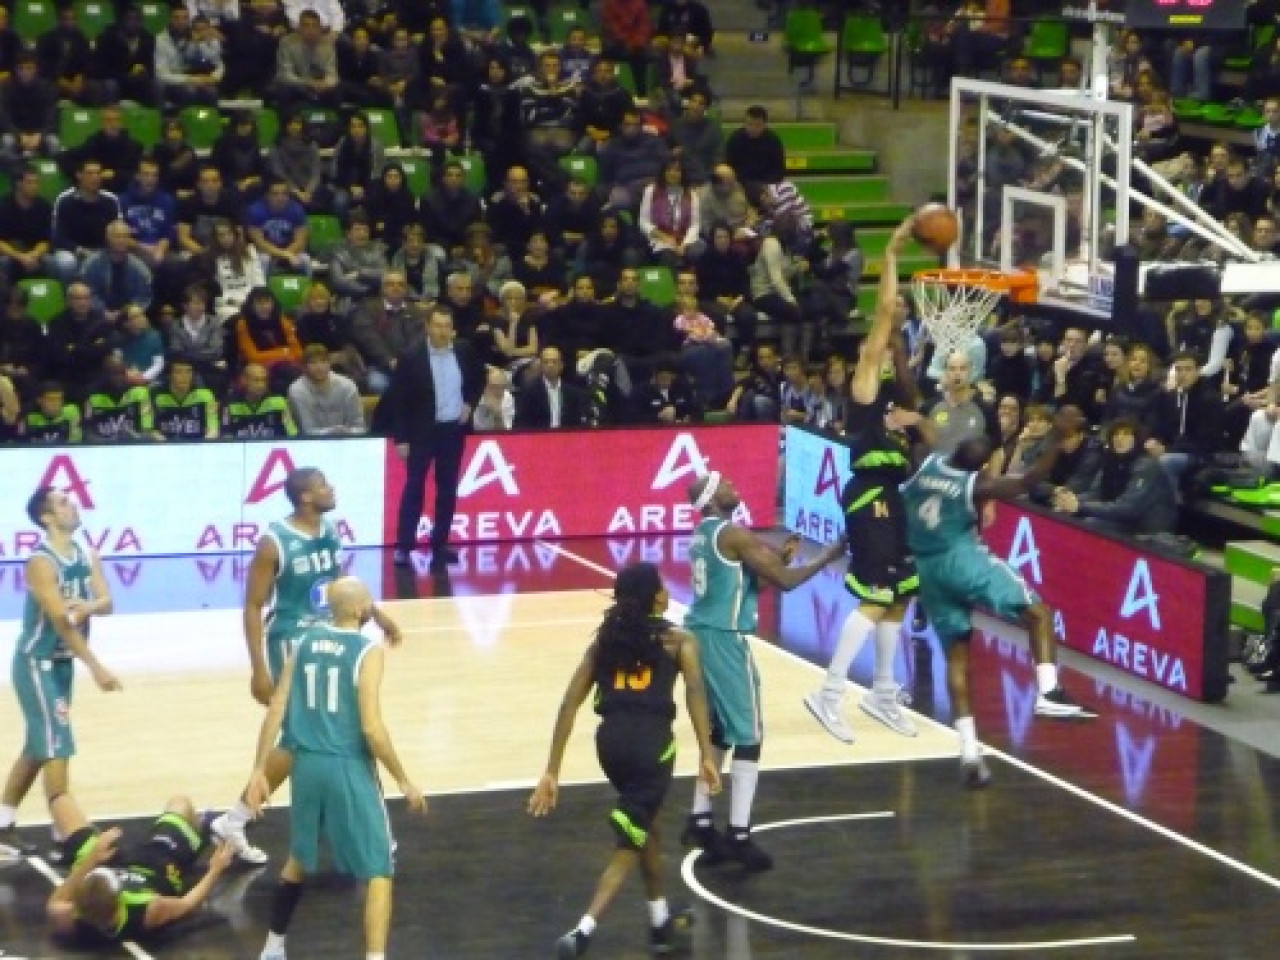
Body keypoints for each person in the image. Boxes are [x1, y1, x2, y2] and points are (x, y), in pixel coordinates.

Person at [211, 469, 404, 864]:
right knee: (324, 733)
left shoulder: (330, 530)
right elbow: (252, 606)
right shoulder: (273, 543)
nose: (331, 489)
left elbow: (337, 589)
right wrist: (258, 669)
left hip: (329, 641)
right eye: (322, 486)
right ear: (303, 498)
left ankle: (234, 821)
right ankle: (360, 825)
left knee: (309, 739)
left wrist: (376, 614)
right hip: (291, 644)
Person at [529, 562, 721, 959]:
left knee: (645, 826)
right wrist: (707, 753)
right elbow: (696, 695)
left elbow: (569, 702)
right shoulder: (679, 640)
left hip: (610, 746)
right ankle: (584, 929)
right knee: (629, 840)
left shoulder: (605, 642)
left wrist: (552, 769)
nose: (668, 590)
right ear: (655, 596)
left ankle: (659, 921)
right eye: (663, 586)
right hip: (652, 748)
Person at [900, 423, 1096, 789]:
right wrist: (1055, 440)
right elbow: (1028, 481)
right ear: (979, 467)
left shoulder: (926, 462)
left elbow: (921, 427)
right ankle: (1049, 692)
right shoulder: (975, 485)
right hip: (961, 558)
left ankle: (970, 751)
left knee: (957, 658)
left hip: (927, 569)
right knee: (1039, 613)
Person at [247, 576, 427, 960]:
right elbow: (372, 728)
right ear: (364, 610)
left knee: (299, 858)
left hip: (305, 766)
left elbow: (277, 707)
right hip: (346, 766)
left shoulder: (306, 641)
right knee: (379, 867)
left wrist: (259, 770)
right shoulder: (367, 650)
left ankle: (273, 947)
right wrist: (403, 778)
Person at [681, 472, 845, 870]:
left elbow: (749, 579)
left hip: (700, 634)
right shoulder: (732, 534)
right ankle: (739, 834)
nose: (731, 484)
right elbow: (785, 581)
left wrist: (776, 560)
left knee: (720, 731)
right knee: (750, 734)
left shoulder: (704, 534)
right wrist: (825, 557)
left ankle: (701, 819)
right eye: (722, 483)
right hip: (724, 639)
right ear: (711, 500)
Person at [805, 216, 925, 744]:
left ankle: (881, 692)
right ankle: (829, 694)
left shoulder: (900, 406)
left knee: (900, 594)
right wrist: (894, 253)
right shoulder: (864, 390)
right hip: (868, 496)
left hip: (892, 499)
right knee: (876, 594)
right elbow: (881, 319)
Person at [0, 488, 121, 863]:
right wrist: (96, 666)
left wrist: (87, 607)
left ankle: (2, 824)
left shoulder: (88, 553)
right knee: (57, 744)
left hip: (62, 663)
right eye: (64, 503)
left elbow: (108, 604)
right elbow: (61, 622)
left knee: (40, 745)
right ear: (47, 517)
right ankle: (66, 833)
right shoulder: (41, 562)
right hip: (37, 662)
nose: (74, 505)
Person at [44, 793, 235, 942]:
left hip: (115, 859)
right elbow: (187, 904)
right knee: (180, 803)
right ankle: (203, 832)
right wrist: (215, 869)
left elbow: (56, 901)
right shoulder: (149, 910)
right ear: (119, 896)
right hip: (160, 863)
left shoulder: (72, 918)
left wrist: (92, 858)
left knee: (59, 801)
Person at [388, 304, 485, 570]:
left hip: (452, 430)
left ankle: (440, 542)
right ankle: (404, 546)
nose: (443, 331)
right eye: (438, 326)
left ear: (453, 328)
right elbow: (399, 400)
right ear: (428, 327)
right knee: (414, 488)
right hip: (421, 432)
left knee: (447, 488)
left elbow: (480, 377)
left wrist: (470, 403)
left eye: (447, 326)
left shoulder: (464, 351)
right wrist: (401, 438)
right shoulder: (411, 356)